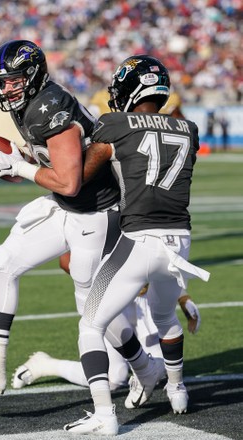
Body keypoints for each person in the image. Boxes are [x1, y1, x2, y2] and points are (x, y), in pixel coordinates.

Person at [0, 40, 159, 402]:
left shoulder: (50, 107)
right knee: (3, 264)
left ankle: (146, 368)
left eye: (13, 81)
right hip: (67, 205)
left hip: (96, 211)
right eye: (2, 81)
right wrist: (21, 157)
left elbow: (70, 181)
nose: (5, 88)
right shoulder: (30, 103)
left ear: (33, 75)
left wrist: (21, 167)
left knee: (90, 305)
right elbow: (54, 167)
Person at [62, 55, 210, 436]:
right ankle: (178, 391)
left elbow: (79, 177)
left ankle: (104, 415)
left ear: (131, 89)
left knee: (91, 325)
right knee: (164, 318)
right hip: (180, 244)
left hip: (140, 240)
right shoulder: (188, 128)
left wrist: (30, 166)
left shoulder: (114, 124)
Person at [12, 253, 201, 393]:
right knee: (113, 377)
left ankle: (139, 370)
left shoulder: (142, 206)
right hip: (111, 297)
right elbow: (66, 260)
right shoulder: (96, 207)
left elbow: (165, 257)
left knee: (164, 369)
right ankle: (45, 365)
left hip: (147, 299)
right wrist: (119, 281)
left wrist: (183, 298)